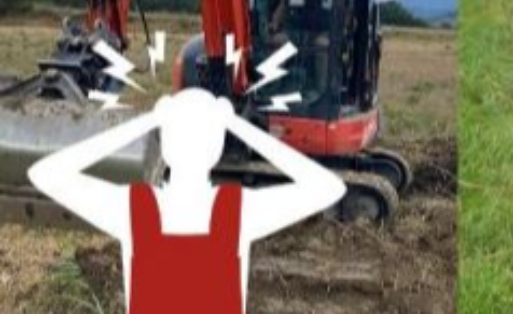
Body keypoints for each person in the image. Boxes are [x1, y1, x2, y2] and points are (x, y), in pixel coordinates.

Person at [28, 89, 346, 314]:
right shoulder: (239, 213)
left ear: (165, 144)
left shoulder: (132, 210)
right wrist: (238, 125)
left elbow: (45, 172)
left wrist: (146, 123)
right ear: (217, 148)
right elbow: (328, 186)